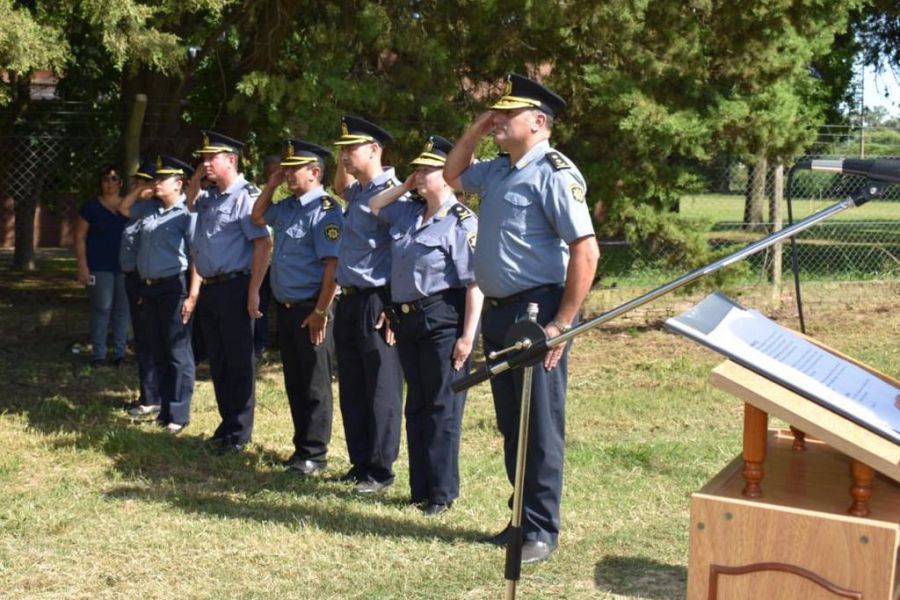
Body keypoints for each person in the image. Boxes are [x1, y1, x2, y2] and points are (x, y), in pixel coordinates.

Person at [444, 74, 600, 564]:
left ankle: (540, 530)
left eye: (507, 115)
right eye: (496, 113)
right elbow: (451, 175)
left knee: (540, 423)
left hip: (538, 312)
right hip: (499, 314)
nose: (498, 121)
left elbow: (586, 250)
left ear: (538, 122)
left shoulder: (554, 172)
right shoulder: (497, 170)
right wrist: (474, 128)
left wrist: (563, 323)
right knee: (513, 423)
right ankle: (519, 519)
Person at [369, 135, 483, 515]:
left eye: (426, 170)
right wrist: (405, 185)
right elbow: (373, 205)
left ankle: (441, 493)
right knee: (416, 405)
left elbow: (474, 284)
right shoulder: (408, 212)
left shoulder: (461, 221)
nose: (418, 175)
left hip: (443, 319)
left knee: (441, 407)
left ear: (447, 176)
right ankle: (419, 489)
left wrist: (468, 336)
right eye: (416, 169)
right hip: (408, 321)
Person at [251, 140, 341, 475]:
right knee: (295, 381)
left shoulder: (327, 211)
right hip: (286, 308)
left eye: (295, 169)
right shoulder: (287, 207)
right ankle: (301, 448)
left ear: (315, 172)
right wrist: (271, 184)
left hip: (311, 308)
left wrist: (320, 312)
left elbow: (333, 267)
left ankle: (315, 454)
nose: (288, 174)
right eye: (286, 169)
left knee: (315, 383)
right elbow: (258, 216)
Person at [187, 131, 272, 454]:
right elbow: (190, 203)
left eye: (212, 158)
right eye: (203, 158)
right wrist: (197, 175)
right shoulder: (210, 196)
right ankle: (226, 425)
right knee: (219, 360)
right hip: (211, 288)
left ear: (231, 160)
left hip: (236, 286)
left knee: (238, 362)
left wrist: (253, 292)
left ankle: (239, 432)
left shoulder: (244, 197)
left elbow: (263, 244)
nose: (206, 163)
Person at [332, 115, 404, 494]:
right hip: (349, 299)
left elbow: (402, 250)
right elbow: (338, 183)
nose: (343, 156)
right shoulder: (356, 193)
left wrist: (393, 305)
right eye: (341, 149)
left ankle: (380, 469)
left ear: (375, 149)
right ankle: (360, 462)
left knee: (381, 387)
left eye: (350, 149)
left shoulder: (393, 193)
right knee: (354, 386)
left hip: (377, 299)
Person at [119, 156, 199, 434]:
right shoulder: (150, 209)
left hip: (173, 286)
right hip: (149, 286)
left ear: (178, 184)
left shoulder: (186, 213)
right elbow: (124, 208)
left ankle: (179, 413)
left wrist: (192, 295)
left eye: (161, 179)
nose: (155, 183)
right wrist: (141, 191)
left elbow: (196, 255)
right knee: (158, 348)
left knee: (177, 351)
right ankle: (164, 410)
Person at [74, 164, 130, 367]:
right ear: (101, 182)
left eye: (114, 179)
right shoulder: (90, 207)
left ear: (121, 183)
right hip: (99, 267)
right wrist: (82, 266)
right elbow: (79, 237)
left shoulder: (128, 207)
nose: (109, 183)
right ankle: (99, 354)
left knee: (122, 311)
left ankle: (120, 354)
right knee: (101, 309)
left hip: (124, 267)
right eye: (106, 179)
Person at [120, 160, 162, 418]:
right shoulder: (139, 209)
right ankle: (148, 393)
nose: (137, 186)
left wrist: (148, 190)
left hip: (144, 279)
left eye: (143, 182)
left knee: (149, 340)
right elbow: (123, 206)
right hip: (133, 280)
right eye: (136, 182)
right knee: (143, 339)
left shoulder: (154, 211)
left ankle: (152, 397)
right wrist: (139, 190)